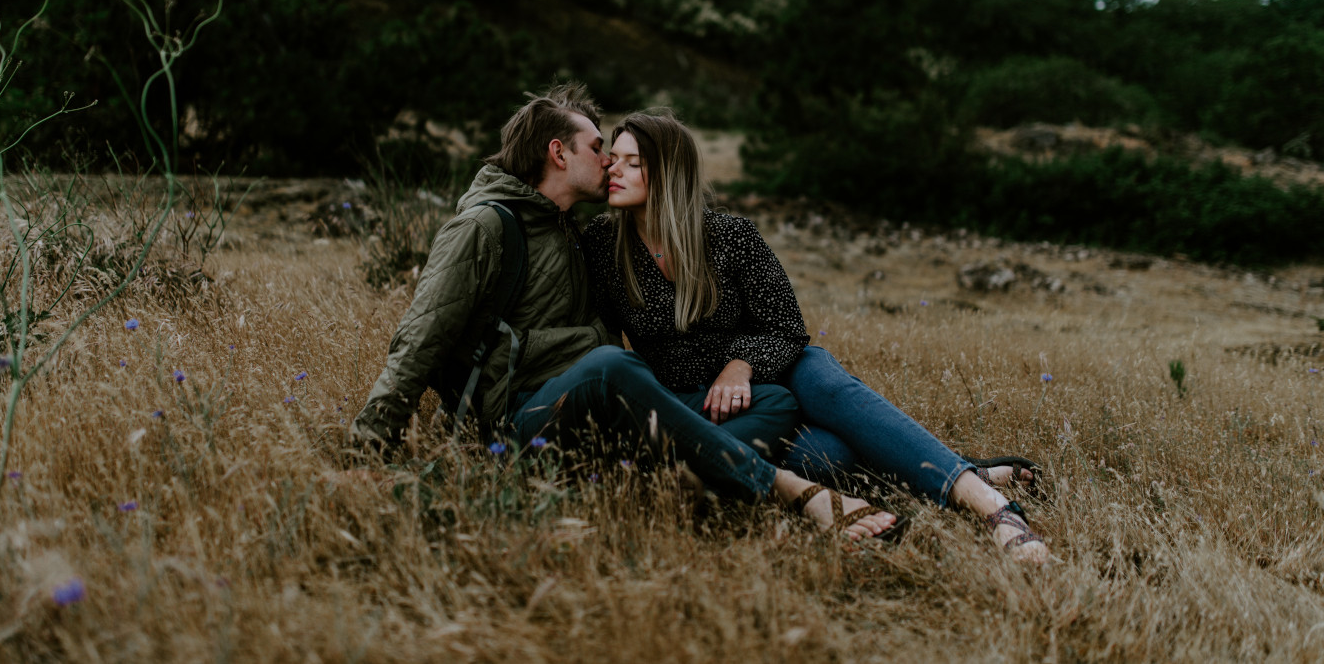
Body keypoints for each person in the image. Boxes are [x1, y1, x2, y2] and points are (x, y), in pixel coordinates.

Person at [350, 83, 903, 541]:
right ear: (557, 153)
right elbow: (418, 339)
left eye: (621, 157)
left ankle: (672, 481)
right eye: (598, 148)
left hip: (600, 413)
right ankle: (797, 494)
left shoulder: (578, 233)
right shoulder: (485, 227)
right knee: (613, 365)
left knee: (776, 398)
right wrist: (369, 451)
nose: (610, 161)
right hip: (520, 418)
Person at [581, 109, 1048, 562]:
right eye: (613, 157)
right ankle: (957, 465)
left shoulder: (731, 237)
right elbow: (605, 344)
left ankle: (996, 510)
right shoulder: (603, 246)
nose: (611, 169)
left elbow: (787, 329)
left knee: (821, 376)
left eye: (631, 163)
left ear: (667, 175)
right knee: (831, 455)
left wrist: (740, 365)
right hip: (699, 405)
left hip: (777, 374)